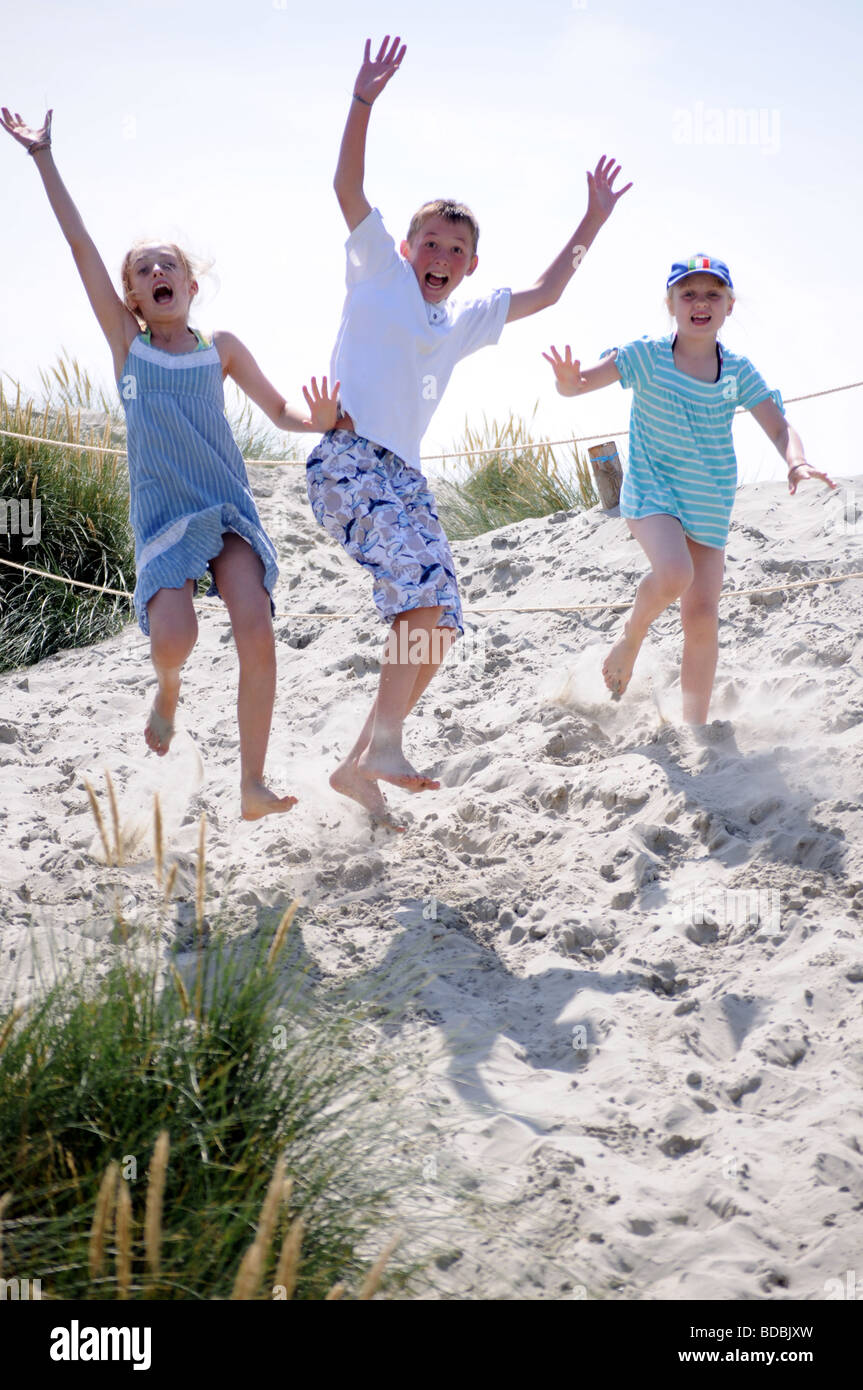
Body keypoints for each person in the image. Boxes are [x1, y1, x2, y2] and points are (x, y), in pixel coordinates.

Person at [307, 35, 631, 828]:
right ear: (406, 247)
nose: (441, 255)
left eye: (457, 249)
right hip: (348, 460)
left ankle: (359, 763)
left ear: (470, 266)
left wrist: (590, 219)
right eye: (431, 243)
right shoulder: (378, 269)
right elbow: (345, 183)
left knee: (440, 620)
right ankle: (382, 745)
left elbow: (549, 291)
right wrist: (362, 102)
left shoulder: (462, 320)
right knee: (418, 601)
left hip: (405, 477)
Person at [1, 106, 339, 820]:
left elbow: (280, 413)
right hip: (163, 514)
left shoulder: (222, 347)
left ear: (191, 284)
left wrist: (320, 421)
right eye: (143, 269)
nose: (157, 271)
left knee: (255, 626)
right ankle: (168, 691)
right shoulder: (129, 347)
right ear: (132, 295)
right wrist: (42, 159)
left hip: (225, 509)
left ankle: (251, 782)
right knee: (176, 639)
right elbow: (78, 243)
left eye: (170, 265)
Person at [544, 255, 836, 724]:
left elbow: (779, 429)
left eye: (712, 294)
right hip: (652, 494)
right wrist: (566, 384)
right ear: (671, 304)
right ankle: (632, 637)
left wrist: (796, 461)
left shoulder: (737, 370)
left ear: (729, 306)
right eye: (689, 294)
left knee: (701, 618)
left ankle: (695, 726)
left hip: (710, 501)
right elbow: (579, 384)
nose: (700, 303)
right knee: (674, 573)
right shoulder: (644, 356)